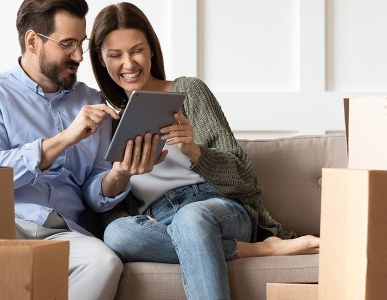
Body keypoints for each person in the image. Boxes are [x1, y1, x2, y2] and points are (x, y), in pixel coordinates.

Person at [89, 3, 320, 300]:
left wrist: (194, 150)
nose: (129, 64)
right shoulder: (106, 121)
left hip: (217, 207)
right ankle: (260, 250)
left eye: (137, 50)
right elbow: (110, 206)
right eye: (115, 55)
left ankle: (236, 241)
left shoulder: (188, 91)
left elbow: (245, 179)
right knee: (117, 234)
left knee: (192, 217)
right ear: (101, 59)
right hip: (159, 218)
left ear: (152, 51)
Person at [0, 1, 163, 299]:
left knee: (103, 262)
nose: (78, 55)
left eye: (81, 43)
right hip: (0, 224)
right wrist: (64, 139)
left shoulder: (92, 101)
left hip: (63, 231)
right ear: (32, 41)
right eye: (67, 44)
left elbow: (94, 191)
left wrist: (118, 173)